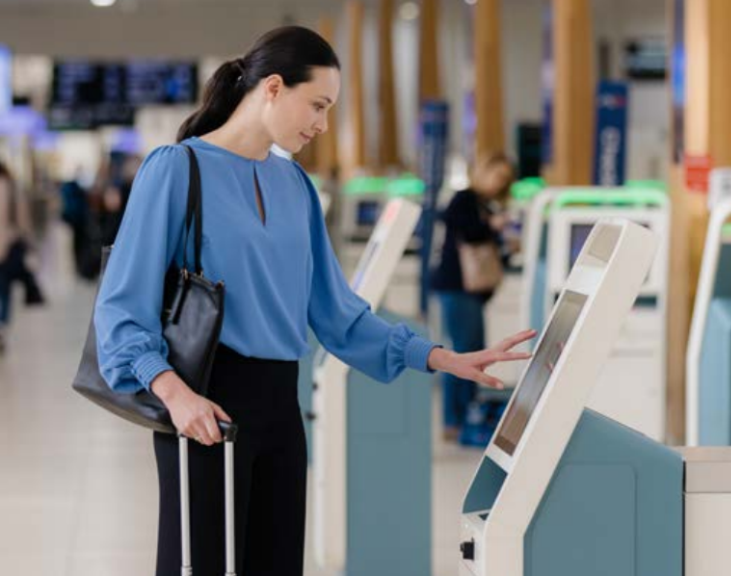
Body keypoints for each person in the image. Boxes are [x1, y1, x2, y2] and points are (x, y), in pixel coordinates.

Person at [93, 27, 534, 576]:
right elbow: (121, 306)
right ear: (273, 87)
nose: (323, 124)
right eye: (318, 105)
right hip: (206, 403)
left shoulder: (294, 186)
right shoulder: (176, 169)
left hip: (282, 406)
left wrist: (442, 357)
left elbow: (337, 314)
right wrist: (174, 395)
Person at [431, 152, 515, 442]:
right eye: (497, 175)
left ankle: (467, 414)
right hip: (457, 287)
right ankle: (455, 419)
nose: (498, 183)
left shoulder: (484, 203)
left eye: (504, 180)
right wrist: (492, 227)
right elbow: (461, 228)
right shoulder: (464, 199)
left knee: (474, 352)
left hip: (471, 291)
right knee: (462, 354)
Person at [0, 161, 45, 353]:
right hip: (9, 244)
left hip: (8, 244)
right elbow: (23, 219)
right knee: (5, 291)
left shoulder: (12, 187)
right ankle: (1, 326)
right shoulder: (11, 186)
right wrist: (30, 243)